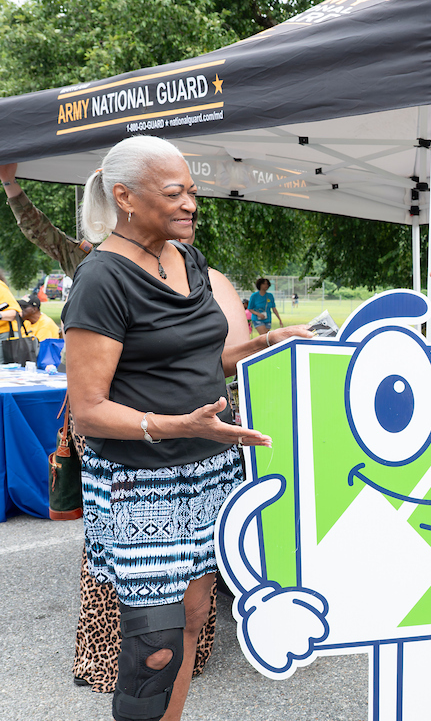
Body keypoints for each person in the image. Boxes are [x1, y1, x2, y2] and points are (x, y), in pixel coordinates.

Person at [60, 135, 303, 721]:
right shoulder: (102, 280)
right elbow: (87, 409)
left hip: (209, 467)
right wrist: (176, 425)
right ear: (125, 198)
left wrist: (264, 343)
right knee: (155, 643)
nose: (192, 204)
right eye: (175, 193)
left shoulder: (186, 260)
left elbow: (200, 363)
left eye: (193, 192)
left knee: (195, 616)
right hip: (142, 483)